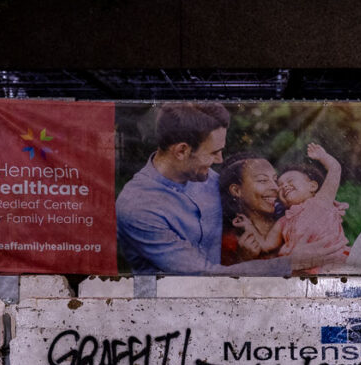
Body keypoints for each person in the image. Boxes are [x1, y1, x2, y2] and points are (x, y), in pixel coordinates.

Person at [115, 103, 344, 275]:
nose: (220, 159)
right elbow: (203, 275)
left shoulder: (209, 180)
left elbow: (267, 207)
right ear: (182, 151)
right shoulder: (138, 207)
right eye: (214, 152)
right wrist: (292, 262)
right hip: (164, 311)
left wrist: (315, 207)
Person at [226, 144, 350, 272]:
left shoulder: (321, 202)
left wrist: (322, 156)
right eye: (280, 185)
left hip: (333, 265)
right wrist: (248, 226)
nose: (284, 186)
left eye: (290, 180)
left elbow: (335, 169)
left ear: (312, 186)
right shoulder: (283, 221)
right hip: (300, 272)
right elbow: (265, 244)